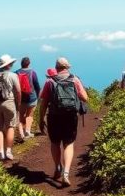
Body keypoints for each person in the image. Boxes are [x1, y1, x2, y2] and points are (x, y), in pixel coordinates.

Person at [37, 57, 89, 187]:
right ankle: (66, 173)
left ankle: (57, 167)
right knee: (68, 143)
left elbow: (43, 102)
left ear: (56, 67)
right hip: (70, 116)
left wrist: (41, 119)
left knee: (55, 142)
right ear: (67, 67)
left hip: (54, 116)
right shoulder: (74, 79)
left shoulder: (50, 81)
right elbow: (85, 98)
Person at [16, 56, 42, 140]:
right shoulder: (32, 72)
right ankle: (27, 131)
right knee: (29, 115)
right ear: (29, 64)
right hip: (32, 98)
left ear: (21, 64)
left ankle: (21, 134)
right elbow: (37, 85)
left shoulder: (16, 73)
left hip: (20, 99)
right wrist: (37, 96)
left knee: (20, 117)